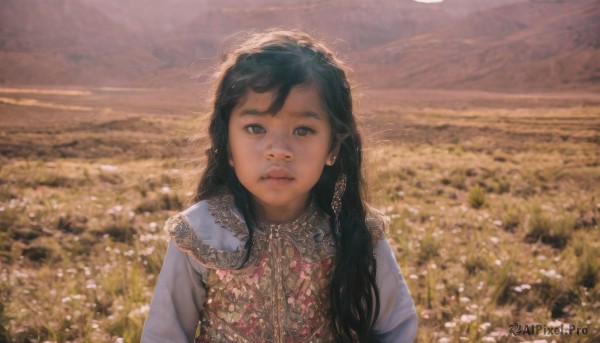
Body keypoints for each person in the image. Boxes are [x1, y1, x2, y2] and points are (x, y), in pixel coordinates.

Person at [141, 30, 417, 343]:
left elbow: (396, 329)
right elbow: (164, 335)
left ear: (333, 148)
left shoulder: (355, 230)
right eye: (255, 128)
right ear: (227, 144)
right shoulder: (199, 231)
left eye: (303, 130)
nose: (279, 149)